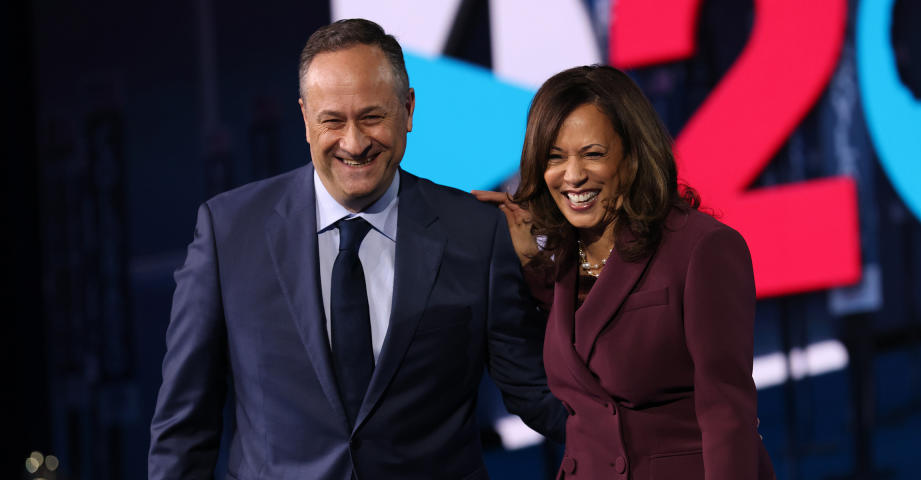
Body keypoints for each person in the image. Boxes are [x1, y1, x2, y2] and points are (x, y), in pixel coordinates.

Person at [149, 18, 565, 480]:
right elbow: (184, 429)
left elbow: (540, 396)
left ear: (407, 109)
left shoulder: (475, 232)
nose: (354, 142)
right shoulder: (228, 233)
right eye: (332, 120)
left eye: (372, 117)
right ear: (306, 119)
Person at [474, 65, 775, 479]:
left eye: (593, 154)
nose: (573, 175)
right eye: (555, 157)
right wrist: (533, 265)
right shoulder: (566, 257)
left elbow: (728, 415)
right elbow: (592, 341)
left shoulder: (703, 249)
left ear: (633, 156)